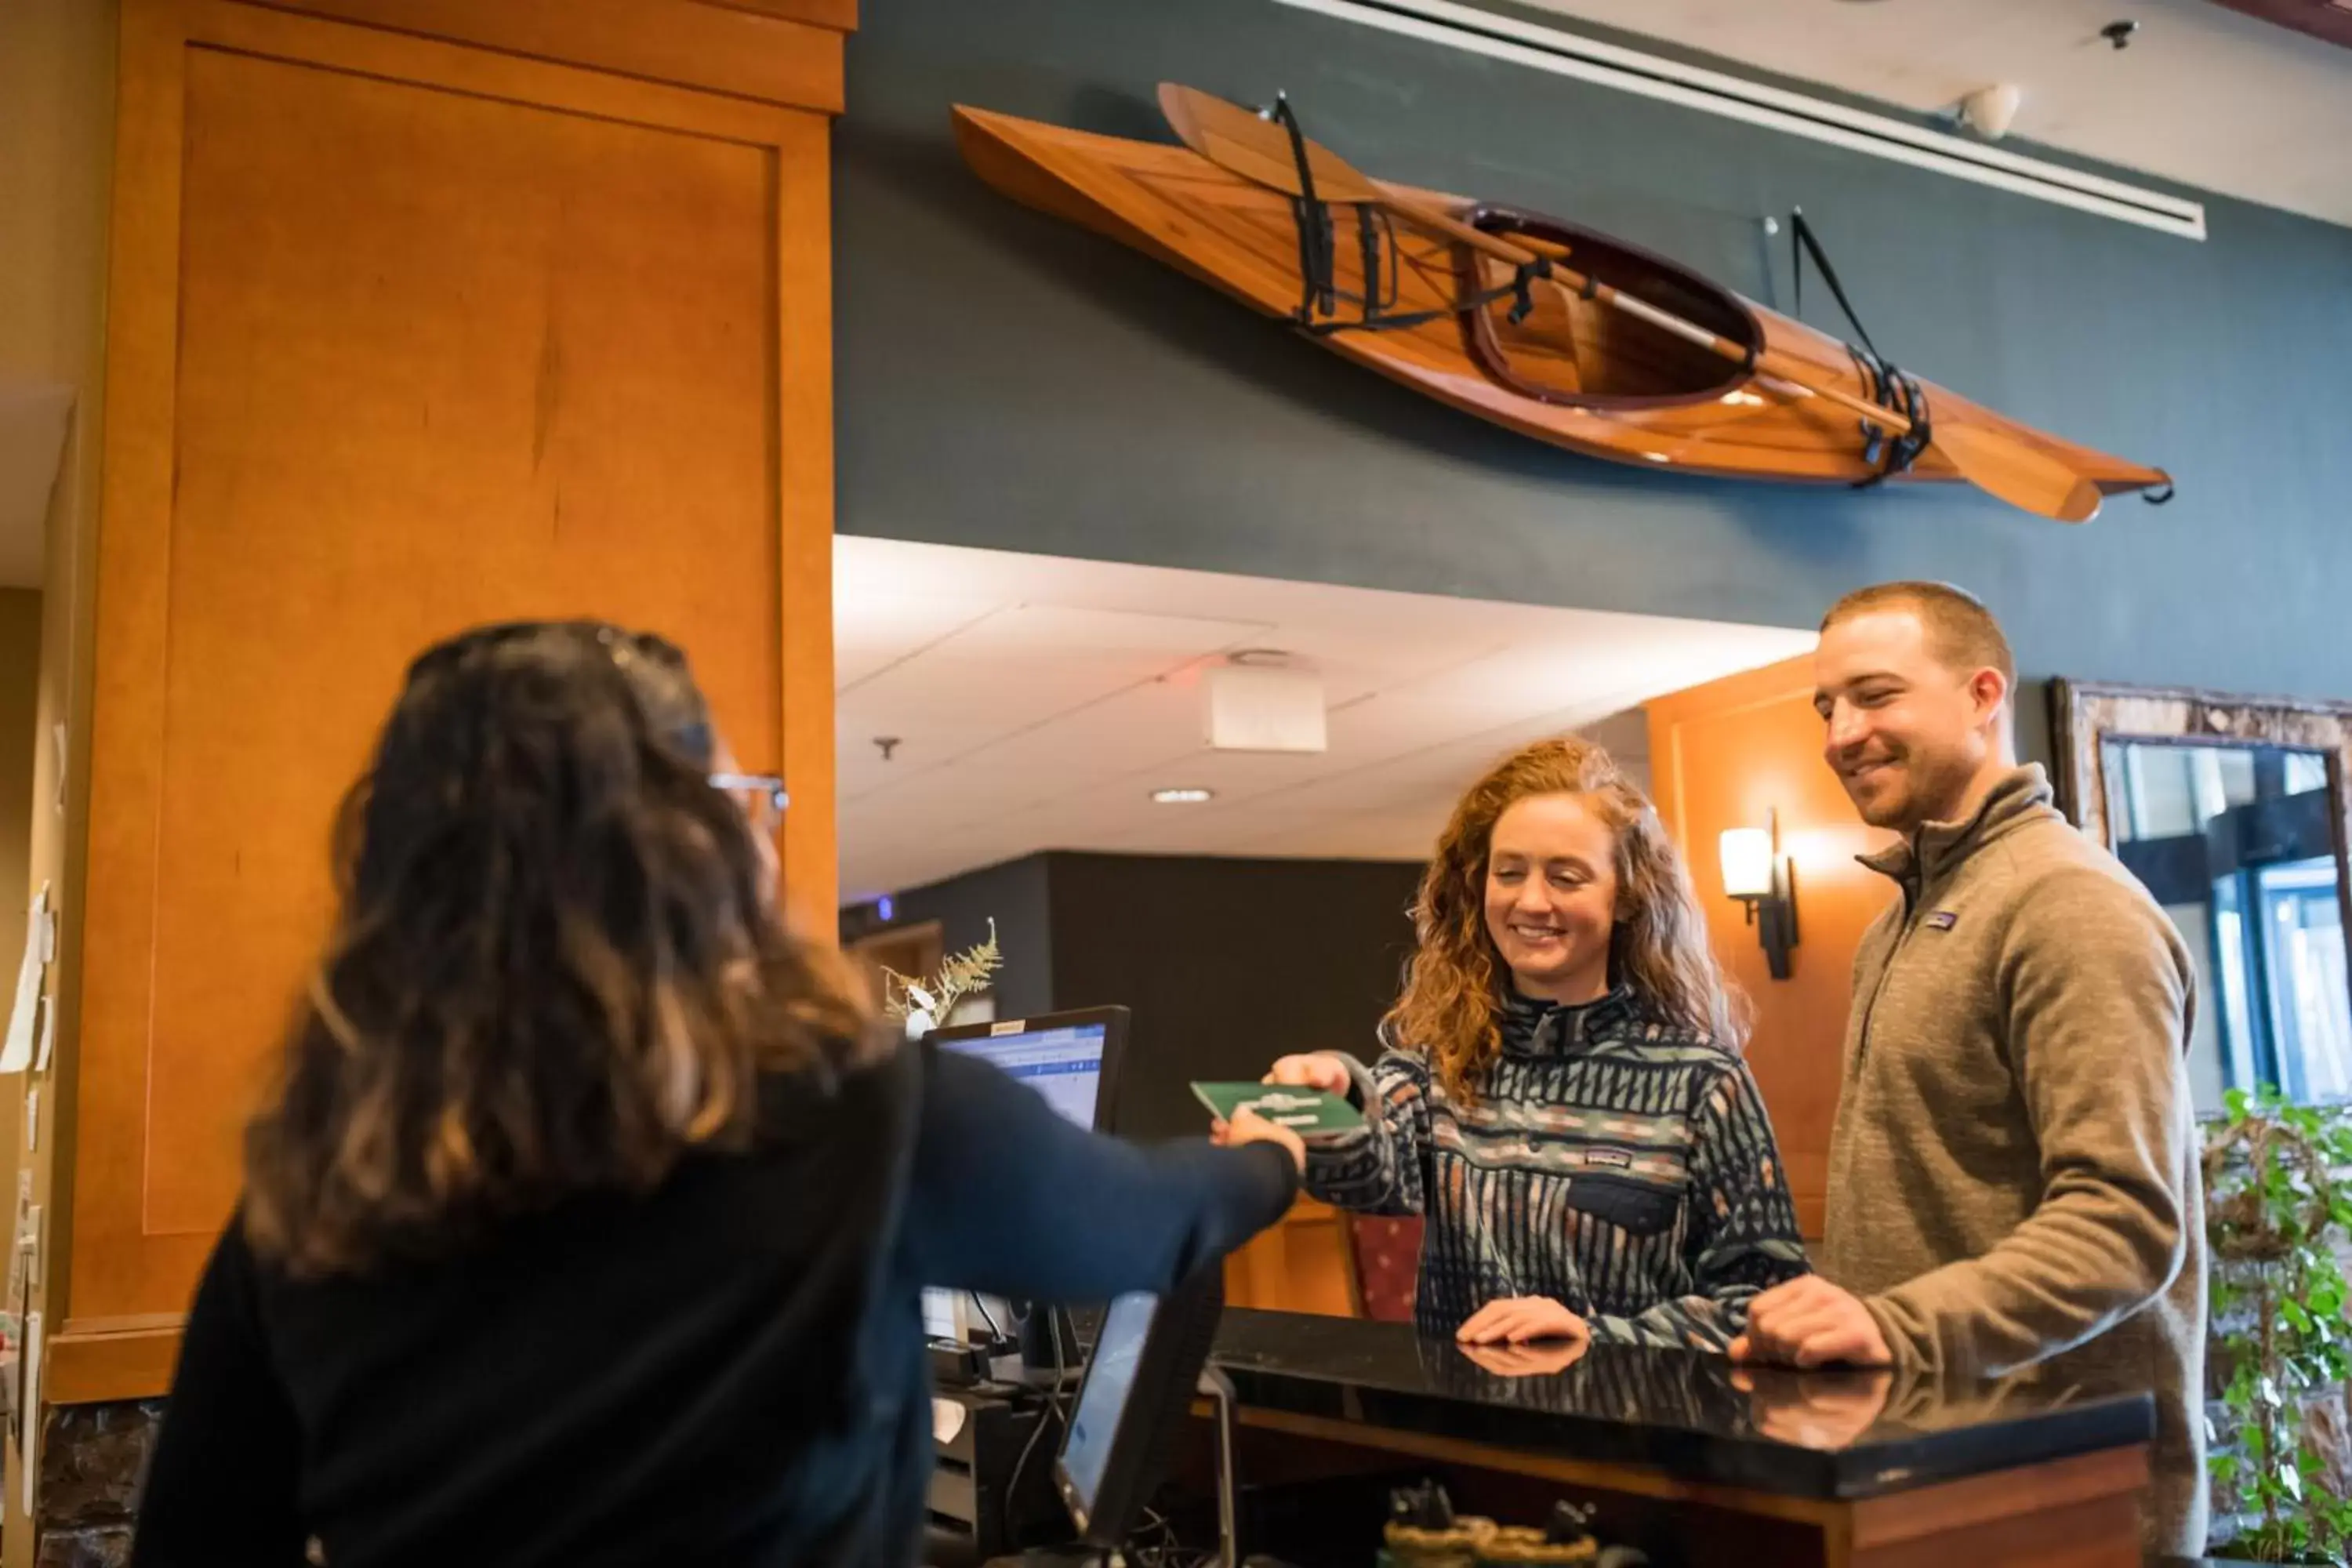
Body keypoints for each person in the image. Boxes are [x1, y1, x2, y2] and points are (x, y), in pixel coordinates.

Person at [131, 621, 1301, 1568]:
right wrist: (1271, 1158)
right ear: (692, 853)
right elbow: (1141, 1223)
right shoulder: (859, 1115)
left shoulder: (318, 1195)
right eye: (743, 798)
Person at [1730, 581, 2205, 1554]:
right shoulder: (1895, 924)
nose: (1840, 731)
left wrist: (1894, 1332)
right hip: (1930, 1476)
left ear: (1983, 693)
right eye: (1827, 705)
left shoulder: (2070, 906)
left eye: (1875, 694)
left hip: (2070, 1501)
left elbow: (2124, 1223)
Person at [1224, 736, 1806, 1352]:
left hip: (1640, 1440)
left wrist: (1596, 1336)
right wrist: (1328, 1093)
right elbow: (1366, 1172)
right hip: (1470, 1437)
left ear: (1627, 895)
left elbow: (1768, 1307)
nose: (1532, 901)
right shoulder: (1435, 1072)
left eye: (1566, 876)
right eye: (1510, 873)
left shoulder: (1701, 1082)